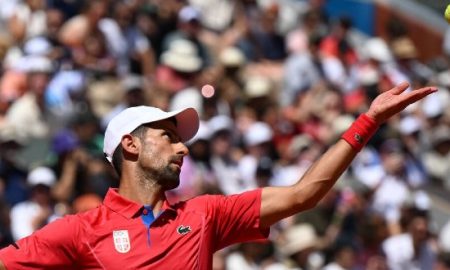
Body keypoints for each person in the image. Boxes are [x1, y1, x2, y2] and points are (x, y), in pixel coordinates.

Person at [0, 82, 437, 269]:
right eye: (168, 136)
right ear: (130, 146)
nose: (183, 147)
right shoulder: (78, 231)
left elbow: (304, 194)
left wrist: (369, 121)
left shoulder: (206, 214)